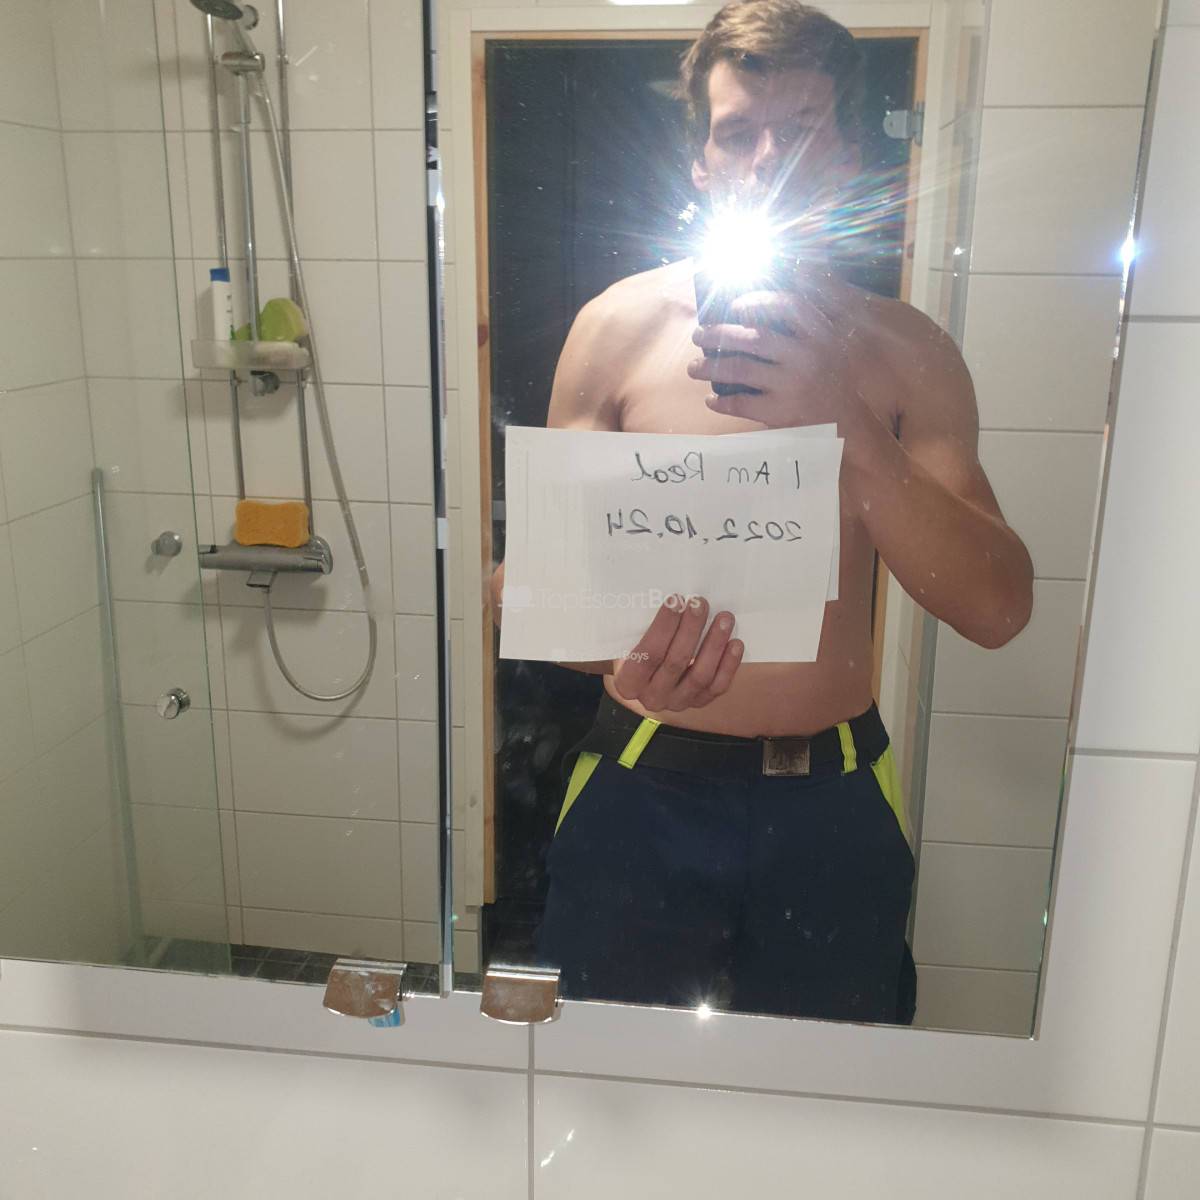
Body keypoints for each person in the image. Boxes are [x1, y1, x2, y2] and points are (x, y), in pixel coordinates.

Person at [491, 0, 1033, 1023]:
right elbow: (540, 591)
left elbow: (997, 607)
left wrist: (847, 424)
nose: (769, 160)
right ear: (700, 159)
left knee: (827, 1096)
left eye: (803, 128)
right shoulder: (614, 330)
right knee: (602, 1087)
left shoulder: (906, 351)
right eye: (739, 132)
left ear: (848, 155)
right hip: (641, 776)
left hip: (832, 796)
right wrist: (604, 654)